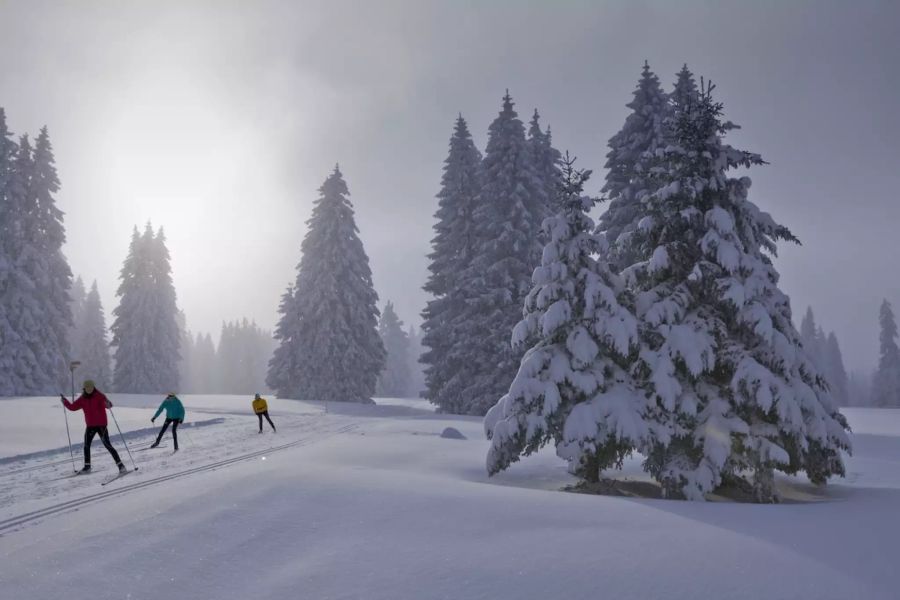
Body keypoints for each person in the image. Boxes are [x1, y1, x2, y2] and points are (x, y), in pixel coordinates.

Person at [60, 380, 126, 474]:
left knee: (107, 445)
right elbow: (73, 407)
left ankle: (121, 466)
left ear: (93, 387)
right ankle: (87, 467)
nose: (89, 390)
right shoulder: (82, 398)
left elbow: (108, 405)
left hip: (101, 425)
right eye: (87, 388)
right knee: (86, 446)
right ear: (84, 388)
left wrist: (108, 404)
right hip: (90, 426)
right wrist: (65, 402)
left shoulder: (99, 396)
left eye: (91, 388)